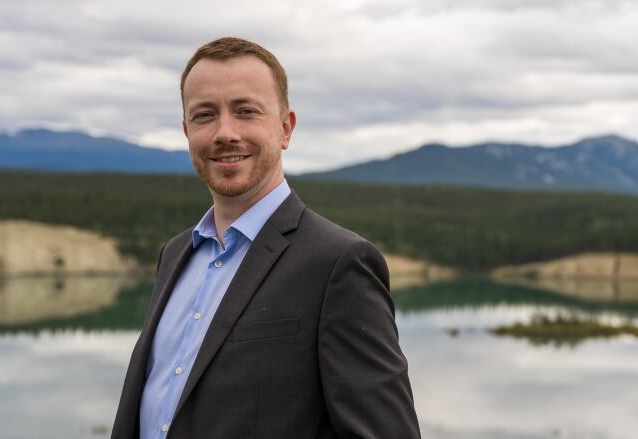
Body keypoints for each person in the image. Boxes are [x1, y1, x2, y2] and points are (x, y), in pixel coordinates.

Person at [111, 36, 420, 439]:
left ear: (285, 128)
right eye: (205, 115)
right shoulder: (175, 254)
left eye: (246, 112)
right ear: (187, 131)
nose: (225, 132)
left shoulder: (338, 264)